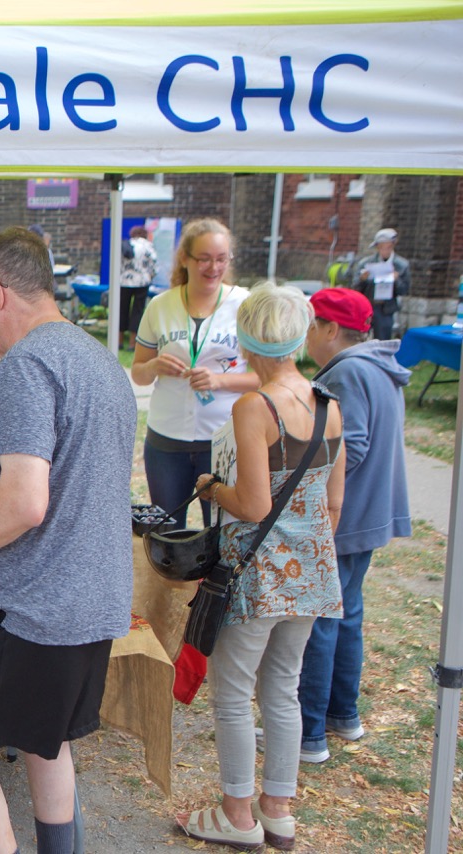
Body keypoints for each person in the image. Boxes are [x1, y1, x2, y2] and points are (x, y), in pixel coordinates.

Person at [0, 227, 136, 854]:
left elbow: (26, 502)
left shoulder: (28, 362)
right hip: (91, 601)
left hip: (31, 605)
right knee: (46, 741)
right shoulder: (101, 362)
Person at [179, 283, 345, 851]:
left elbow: (253, 504)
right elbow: (334, 502)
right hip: (313, 571)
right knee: (283, 689)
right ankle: (277, 808)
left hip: (259, 573)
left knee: (233, 692)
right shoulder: (329, 403)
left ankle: (236, 813)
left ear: (246, 338)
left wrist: (210, 486)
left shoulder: (257, 406)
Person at [298, 288, 411, 763]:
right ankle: (343, 715)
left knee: (322, 621)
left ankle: (309, 735)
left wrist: (303, 489)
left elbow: (352, 446)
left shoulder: (347, 371)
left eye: (309, 324)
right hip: (371, 515)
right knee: (347, 615)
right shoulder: (379, 366)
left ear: (328, 329)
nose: (306, 335)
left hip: (345, 519)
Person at [131, 219, 257, 528]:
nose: (213, 267)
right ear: (185, 259)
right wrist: (153, 366)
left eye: (221, 259)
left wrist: (221, 380)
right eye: (204, 258)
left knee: (223, 533)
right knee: (168, 532)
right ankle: (174, 580)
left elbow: (267, 377)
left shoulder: (246, 305)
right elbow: (138, 373)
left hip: (222, 436)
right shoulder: (160, 306)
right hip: (167, 438)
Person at [349, 228, 411, 340]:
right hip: (367, 307)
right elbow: (355, 288)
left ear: (393, 245)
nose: (384, 250)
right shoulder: (366, 263)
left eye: (387, 247)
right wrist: (362, 279)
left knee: (382, 340)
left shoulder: (401, 265)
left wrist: (396, 280)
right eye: (381, 247)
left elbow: (404, 290)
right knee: (360, 339)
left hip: (385, 309)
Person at [120, 225, 158, 351]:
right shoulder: (148, 246)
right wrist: (150, 276)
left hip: (124, 281)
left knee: (121, 310)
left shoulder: (126, 244)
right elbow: (154, 265)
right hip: (142, 282)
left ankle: (118, 341)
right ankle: (132, 343)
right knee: (137, 311)